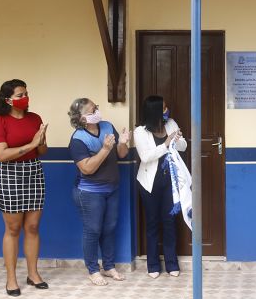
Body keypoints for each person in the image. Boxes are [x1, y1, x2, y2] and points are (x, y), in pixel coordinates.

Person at [0, 79, 48, 296]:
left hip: (34, 171)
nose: (25, 98)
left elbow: (42, 151)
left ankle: (33, 274)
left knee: (32, 227)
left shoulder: (35, 118)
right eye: (20, 95)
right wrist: (30, 145)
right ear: (8, 99)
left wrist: (40, 141)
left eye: (26, 93)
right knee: (13, 229)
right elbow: (2, 155)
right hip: (9, 174)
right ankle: (11, 279)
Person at [68, 98, 130, 286]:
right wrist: (104, 149)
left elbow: (121, 154)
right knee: (93, 230)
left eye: (96, 108)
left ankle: (109, 266)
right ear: (82, 118)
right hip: (89, 192)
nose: (97, 111)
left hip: (112, 189)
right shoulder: (78, 139)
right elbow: (87, 169)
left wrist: (123, 143)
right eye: (92, 110)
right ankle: (93, 270)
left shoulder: (107, 126)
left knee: (109, 228)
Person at [133, 96, 186, 278]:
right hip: (149, 183)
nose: (167, 111)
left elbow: (184, 146)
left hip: (170, 182)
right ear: (154, 111)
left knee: (170, 222)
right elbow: (146, 157)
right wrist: (165, 144)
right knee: (153, 223)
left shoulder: (171, 124)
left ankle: (172, 264)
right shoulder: (140, 132)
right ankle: (153, 265)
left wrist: (176, 140)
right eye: (163, 108)